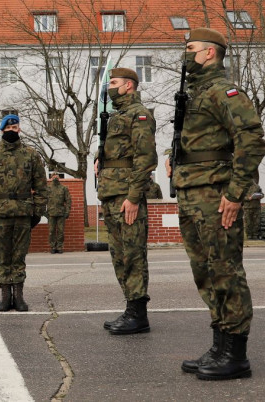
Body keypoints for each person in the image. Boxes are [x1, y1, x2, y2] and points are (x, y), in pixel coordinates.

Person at [166, 28, 265, 380]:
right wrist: (174, 157)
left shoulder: (224, 92)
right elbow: (198, 139)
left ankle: (236, 355)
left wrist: (237, 192)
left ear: (210, 53)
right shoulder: (196, 93)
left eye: (190, 48)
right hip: (192, 190)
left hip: (215, 193)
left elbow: (251, 137)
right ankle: (220, 344)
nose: (185, 54)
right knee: (205, 272)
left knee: (225, 269)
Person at [96, 67, 158, 335]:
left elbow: (145, 158)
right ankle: (130, 308)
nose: (109, 87)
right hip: (111, 193)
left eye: (114, 82)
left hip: (125, 196)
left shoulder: (139, 114)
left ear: (129, 86)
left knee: (132, 254)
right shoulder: (116, 116)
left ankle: (138, 314)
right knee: (119, 254)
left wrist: (134, 197)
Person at [0, 114, 48, 312]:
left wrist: (38, 212)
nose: (11, 131)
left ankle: (19, 296)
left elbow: (41, 186)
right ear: (1, 130)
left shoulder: (31, 155)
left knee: (19, 256)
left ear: (19, 129)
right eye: (8, 129)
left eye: (15, 128)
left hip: (23, 212)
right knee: (3, 256)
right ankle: (5, 295)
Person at [45, 173, 72, 254]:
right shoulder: (48, 188)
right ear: (51, 177)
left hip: (61, 213)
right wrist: (44, 212)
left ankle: (59, 247)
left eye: (57, 176)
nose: (55, 177)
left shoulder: (64, 188)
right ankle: (53, 247)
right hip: (51, 213)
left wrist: (67, 211)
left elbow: (68, 201)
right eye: (53, 176)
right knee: (51, 231)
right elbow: (42, 200)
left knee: (61, 231)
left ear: (59, 177)